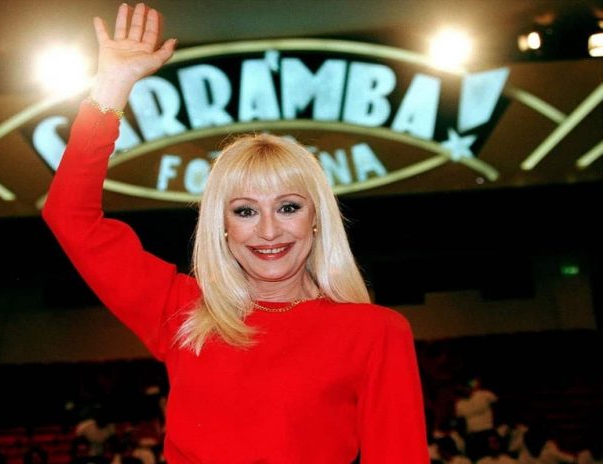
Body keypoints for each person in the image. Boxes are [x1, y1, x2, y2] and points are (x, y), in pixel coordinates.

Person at [42, 3, 428, 462]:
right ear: (222, 227)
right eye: (245, 211)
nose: (269, 230)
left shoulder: (375, 333)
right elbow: (69, 215)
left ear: (317, 217)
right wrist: (110, 86)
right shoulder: (182, 313)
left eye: (288, 207)